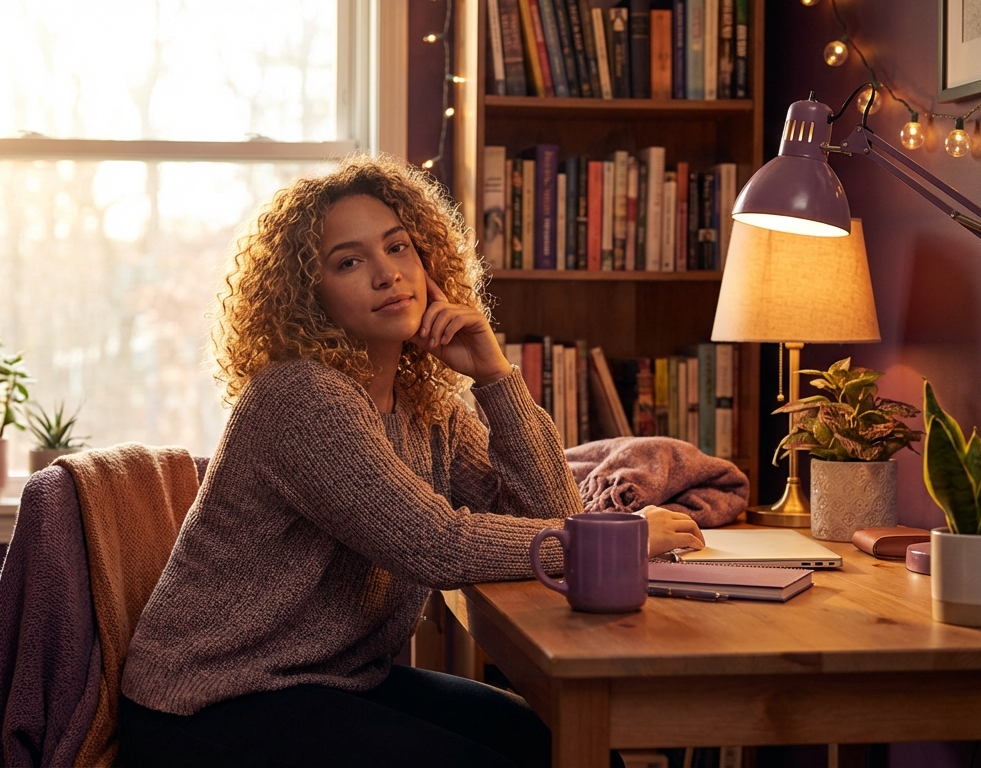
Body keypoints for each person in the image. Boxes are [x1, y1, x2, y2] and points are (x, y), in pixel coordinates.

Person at [115, 153, 705, 768]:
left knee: (566, 745)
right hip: (210, 705)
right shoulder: (299, 397)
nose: (387, 275)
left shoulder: (426, 403)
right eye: (349, 261)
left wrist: (496, 377)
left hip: (332, 680)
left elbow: (547, 513)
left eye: (398, 248)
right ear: (308, 296)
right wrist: (621, 541)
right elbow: (437, 545)